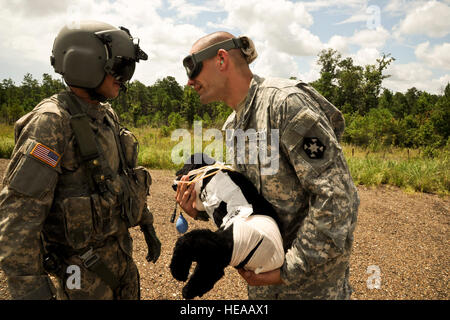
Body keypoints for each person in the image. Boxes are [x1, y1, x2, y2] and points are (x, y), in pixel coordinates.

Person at [176, 31, 360, 299]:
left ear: (221, 59)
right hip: (264, 290)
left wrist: (289, 269)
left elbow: (337, 197)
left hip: (311, 290)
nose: (190, 81)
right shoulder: (233, 125)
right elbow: (246, 202)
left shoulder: (285, 104)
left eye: (192, 67)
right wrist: (201, 209)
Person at [0, 21, 161, 300]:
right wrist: (32, 291)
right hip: (82, 280)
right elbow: (18, 220)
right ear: (86, 63)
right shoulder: (51, 124)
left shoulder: (106, 117)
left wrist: (146, 222)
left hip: (121, 266)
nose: (124, 78)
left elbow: (122, 180)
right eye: (121, 68)